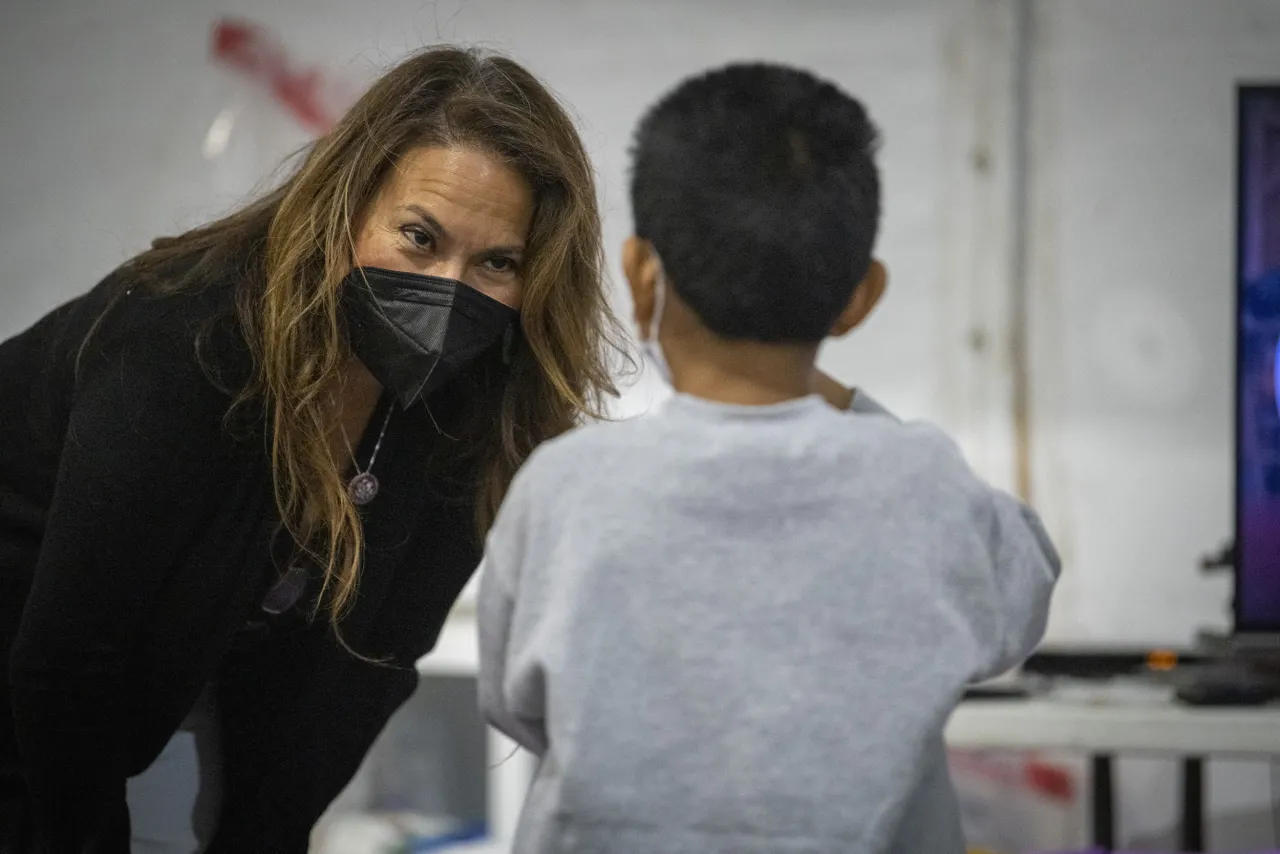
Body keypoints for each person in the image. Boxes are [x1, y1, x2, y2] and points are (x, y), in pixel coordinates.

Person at [0, 46, 622, 854]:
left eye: (498, 262)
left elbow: (358, 676)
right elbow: (70, 661)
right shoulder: (184, 342)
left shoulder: (481, 414)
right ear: (345, 207)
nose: (448, 288)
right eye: (418, 237)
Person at [477, 62, 1061, 853]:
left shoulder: (562, 490)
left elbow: (515, 702)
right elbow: (1024, 589)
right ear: (861, 295)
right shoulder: (923, 482)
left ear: (642, 278)